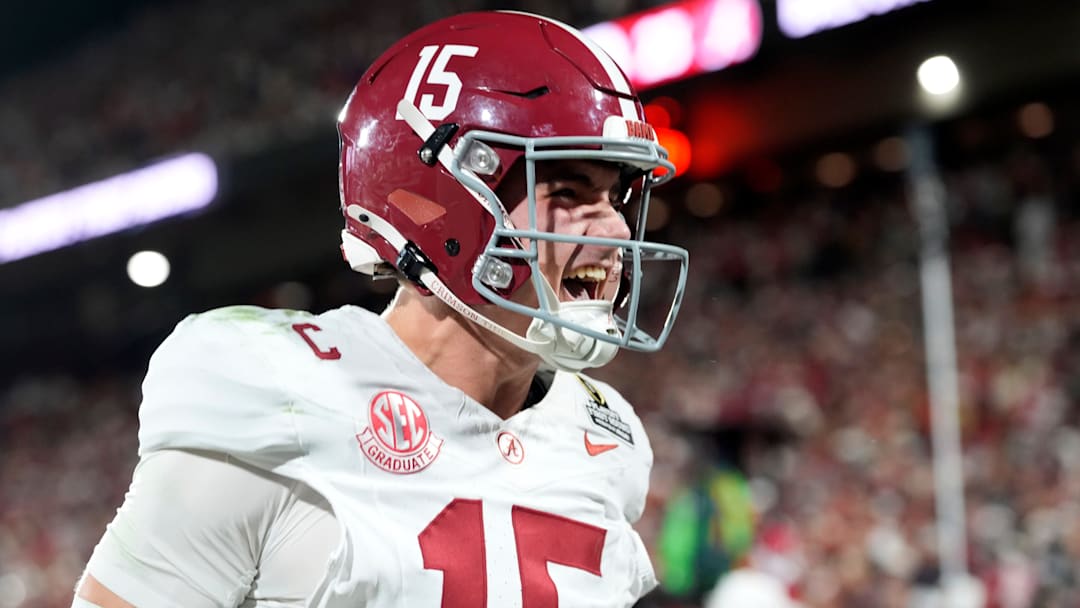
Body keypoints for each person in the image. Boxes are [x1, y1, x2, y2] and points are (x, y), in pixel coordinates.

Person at [73, 10, 689, 608]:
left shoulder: (603, 439)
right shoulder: (283, 396)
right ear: (444, 207)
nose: (613, 227)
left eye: (613, 195)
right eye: (566, 191)